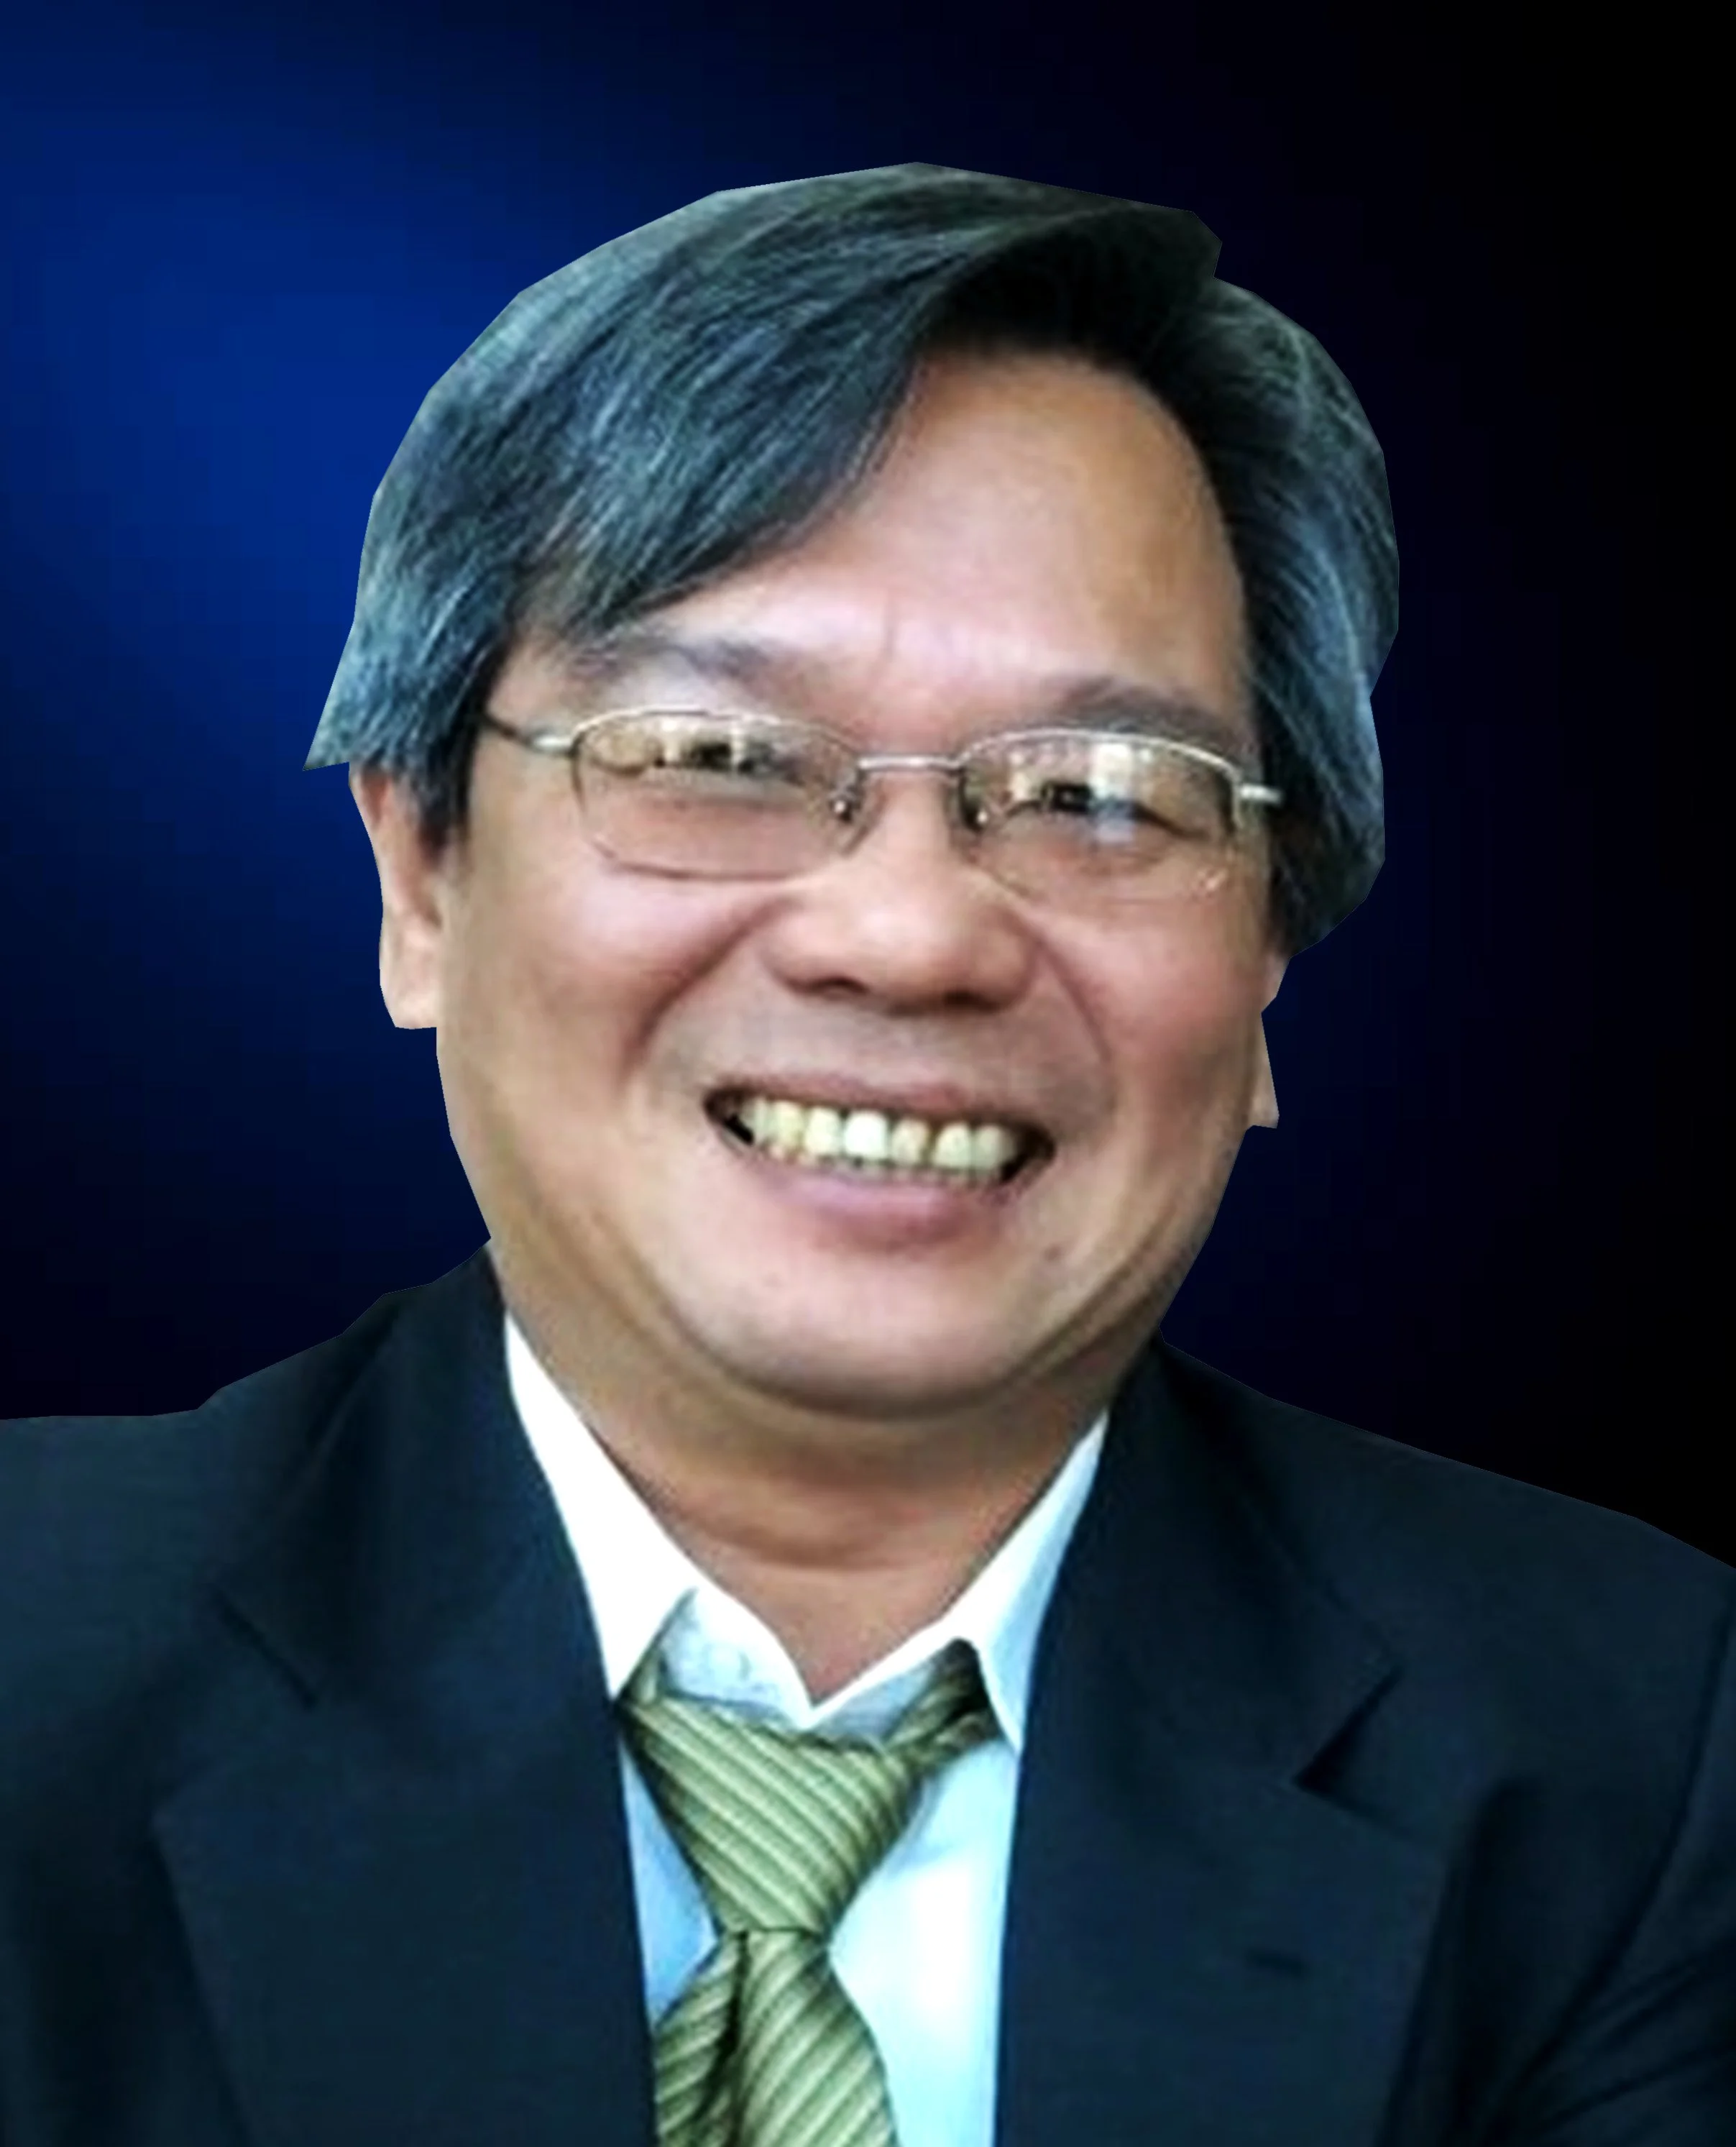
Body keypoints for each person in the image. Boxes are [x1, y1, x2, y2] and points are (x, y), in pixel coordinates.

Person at [1, 165, 1730, 2147]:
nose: (908, 937)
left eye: (1096, 795)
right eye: (720, 760)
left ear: (1268, 954)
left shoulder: (1639, 1758)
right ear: (419, 877)